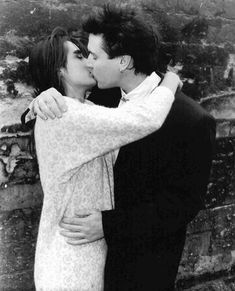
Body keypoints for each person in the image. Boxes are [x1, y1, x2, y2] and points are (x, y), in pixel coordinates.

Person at [29, 5, 216, 291]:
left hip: (141, 269)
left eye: (93, 55)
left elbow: (182, 205)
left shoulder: (192, 120)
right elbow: (66, 109)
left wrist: (110, 226)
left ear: (123, 61)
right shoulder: (99, 95)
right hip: (81, 264)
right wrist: (42, 98)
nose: (89, 63)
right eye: (83, 55)